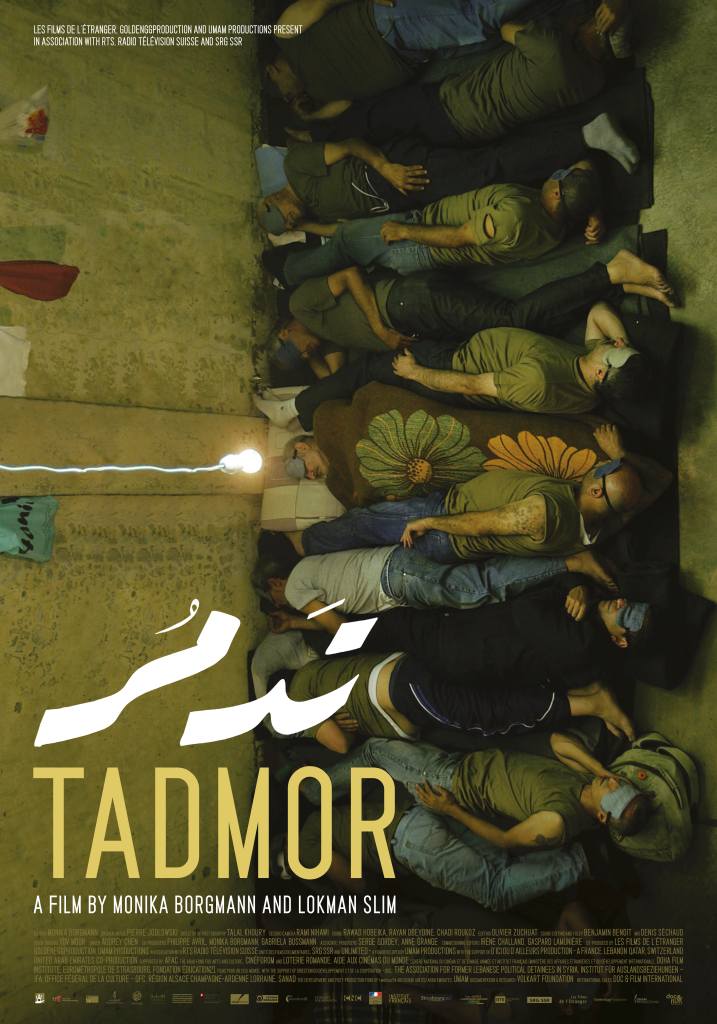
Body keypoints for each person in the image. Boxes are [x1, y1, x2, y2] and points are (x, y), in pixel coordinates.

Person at [281, 425, 672, 563]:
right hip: (450, 514)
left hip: (448, 523)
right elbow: (661, 480)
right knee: (374, 526)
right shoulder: (607, 522)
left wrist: (428, 521)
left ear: (598, 488)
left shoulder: (547, 512)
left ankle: (306, 543)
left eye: (601, 470)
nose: (595, 467)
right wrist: (622, 456)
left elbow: (484, 525)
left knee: (364, 523)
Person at [257, 294, 659, 429]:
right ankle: (304, 407)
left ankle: (290, 409)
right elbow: (599, 311)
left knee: (366, 370)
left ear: (603, 371)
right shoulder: (592, 372)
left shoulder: (539, 381)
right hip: (467, 345)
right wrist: (622, 341)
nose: (610, 344)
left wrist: (418, 372)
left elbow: (470, 385)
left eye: (614, 351)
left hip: (451, 365)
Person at [258, 249, 673, 376]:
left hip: (407, 302)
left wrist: (380, 330)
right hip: (422, 320)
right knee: (520, 328)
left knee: (512, 319)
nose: (308, 351)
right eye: (304, 357)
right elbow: (331, 377)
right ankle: (617, 287)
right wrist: (308, 358)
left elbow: (350, 275)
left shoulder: (300, 306)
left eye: (298, 347)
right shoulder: (324, 339)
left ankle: (611, 270)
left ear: (285, 331)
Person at [258, 113, 638, 231]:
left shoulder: (297, 168)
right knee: (496, 178)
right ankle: (575, 174)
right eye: (289, 226)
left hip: (402, 169)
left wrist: (386, 168)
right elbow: (339, 230)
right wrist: (307, 226)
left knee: (490, 166)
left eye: (286, 218)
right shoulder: (315, 212)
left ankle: (586, 135)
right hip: (416, 196)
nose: (293, 221)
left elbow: (350, 145)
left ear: (274, 198)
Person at [273, 162, 604, 288]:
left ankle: (287, 270)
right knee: (353, 240)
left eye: (560, 177)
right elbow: (584, 165)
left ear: (557, 193)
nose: (555, 173)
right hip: (423, 232)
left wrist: (405, 231)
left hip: (420, 241)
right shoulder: (560, 221)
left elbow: (459, 237)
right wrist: (593, 213)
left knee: (347, 243)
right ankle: (307, 233)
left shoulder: (514, 218)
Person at [310, 733, 652, 854]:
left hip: (450, 782)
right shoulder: (588, 782)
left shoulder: (558, 821)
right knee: (387, 761)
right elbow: (558, 742)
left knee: (376, 751)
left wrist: (451, 809)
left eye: (614, 790)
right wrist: (600, 769)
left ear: (602, 815)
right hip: (464, 760)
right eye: (619, 782)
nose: (612, 782)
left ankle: (311, 791)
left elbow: (505, 840)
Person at [270, 10, 607, 121]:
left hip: (391, 27)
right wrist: (311, 115)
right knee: (491, 31)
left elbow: (321, 2)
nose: (290, 96)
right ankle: (577, 18)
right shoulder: (319, 92)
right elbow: (348, 102)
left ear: (273, 69)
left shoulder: (285, 35)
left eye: (282, 93)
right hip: (416, 57)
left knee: (483, 17)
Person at [281, 647, 635, 747]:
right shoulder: (310, 674)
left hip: (401, 694)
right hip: (402, 675)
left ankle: (591, 704)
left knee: (489, 716)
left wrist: (324, 724)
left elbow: (339, 743)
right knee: (493, 693)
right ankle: (584, 693)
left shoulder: (292, 705)